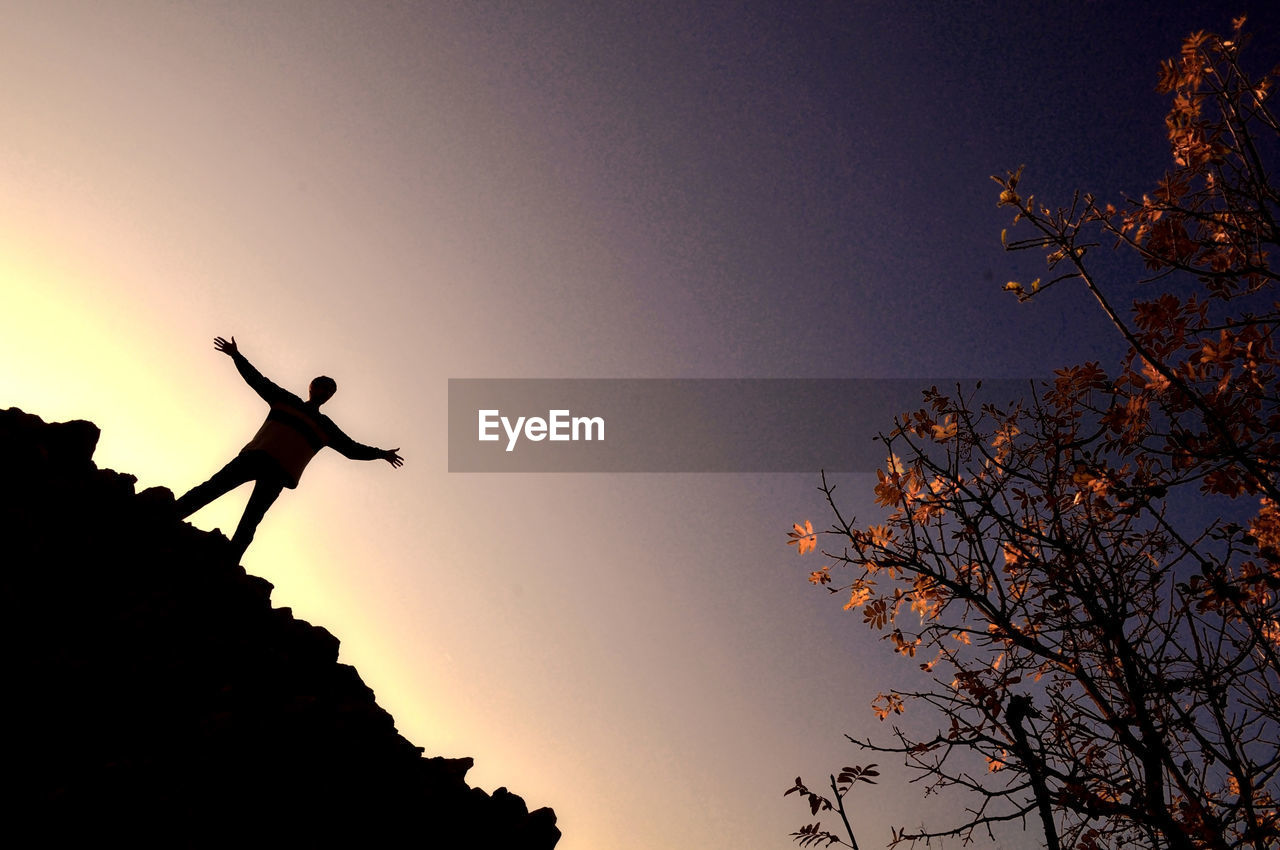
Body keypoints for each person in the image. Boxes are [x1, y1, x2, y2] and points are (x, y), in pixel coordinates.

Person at [175, 336, 403, 558]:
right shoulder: (285, 400)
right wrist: (236, 356)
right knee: (211, 488)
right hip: (254, 457)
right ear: (312, 387)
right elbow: (258, 380)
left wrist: (381, 454)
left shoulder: (325, 427)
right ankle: (168, 514)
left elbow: (352, 449)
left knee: (251, 519)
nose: (325, 392)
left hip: (279, 473)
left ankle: (229, 562)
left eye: (330, 391)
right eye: (322, 387)